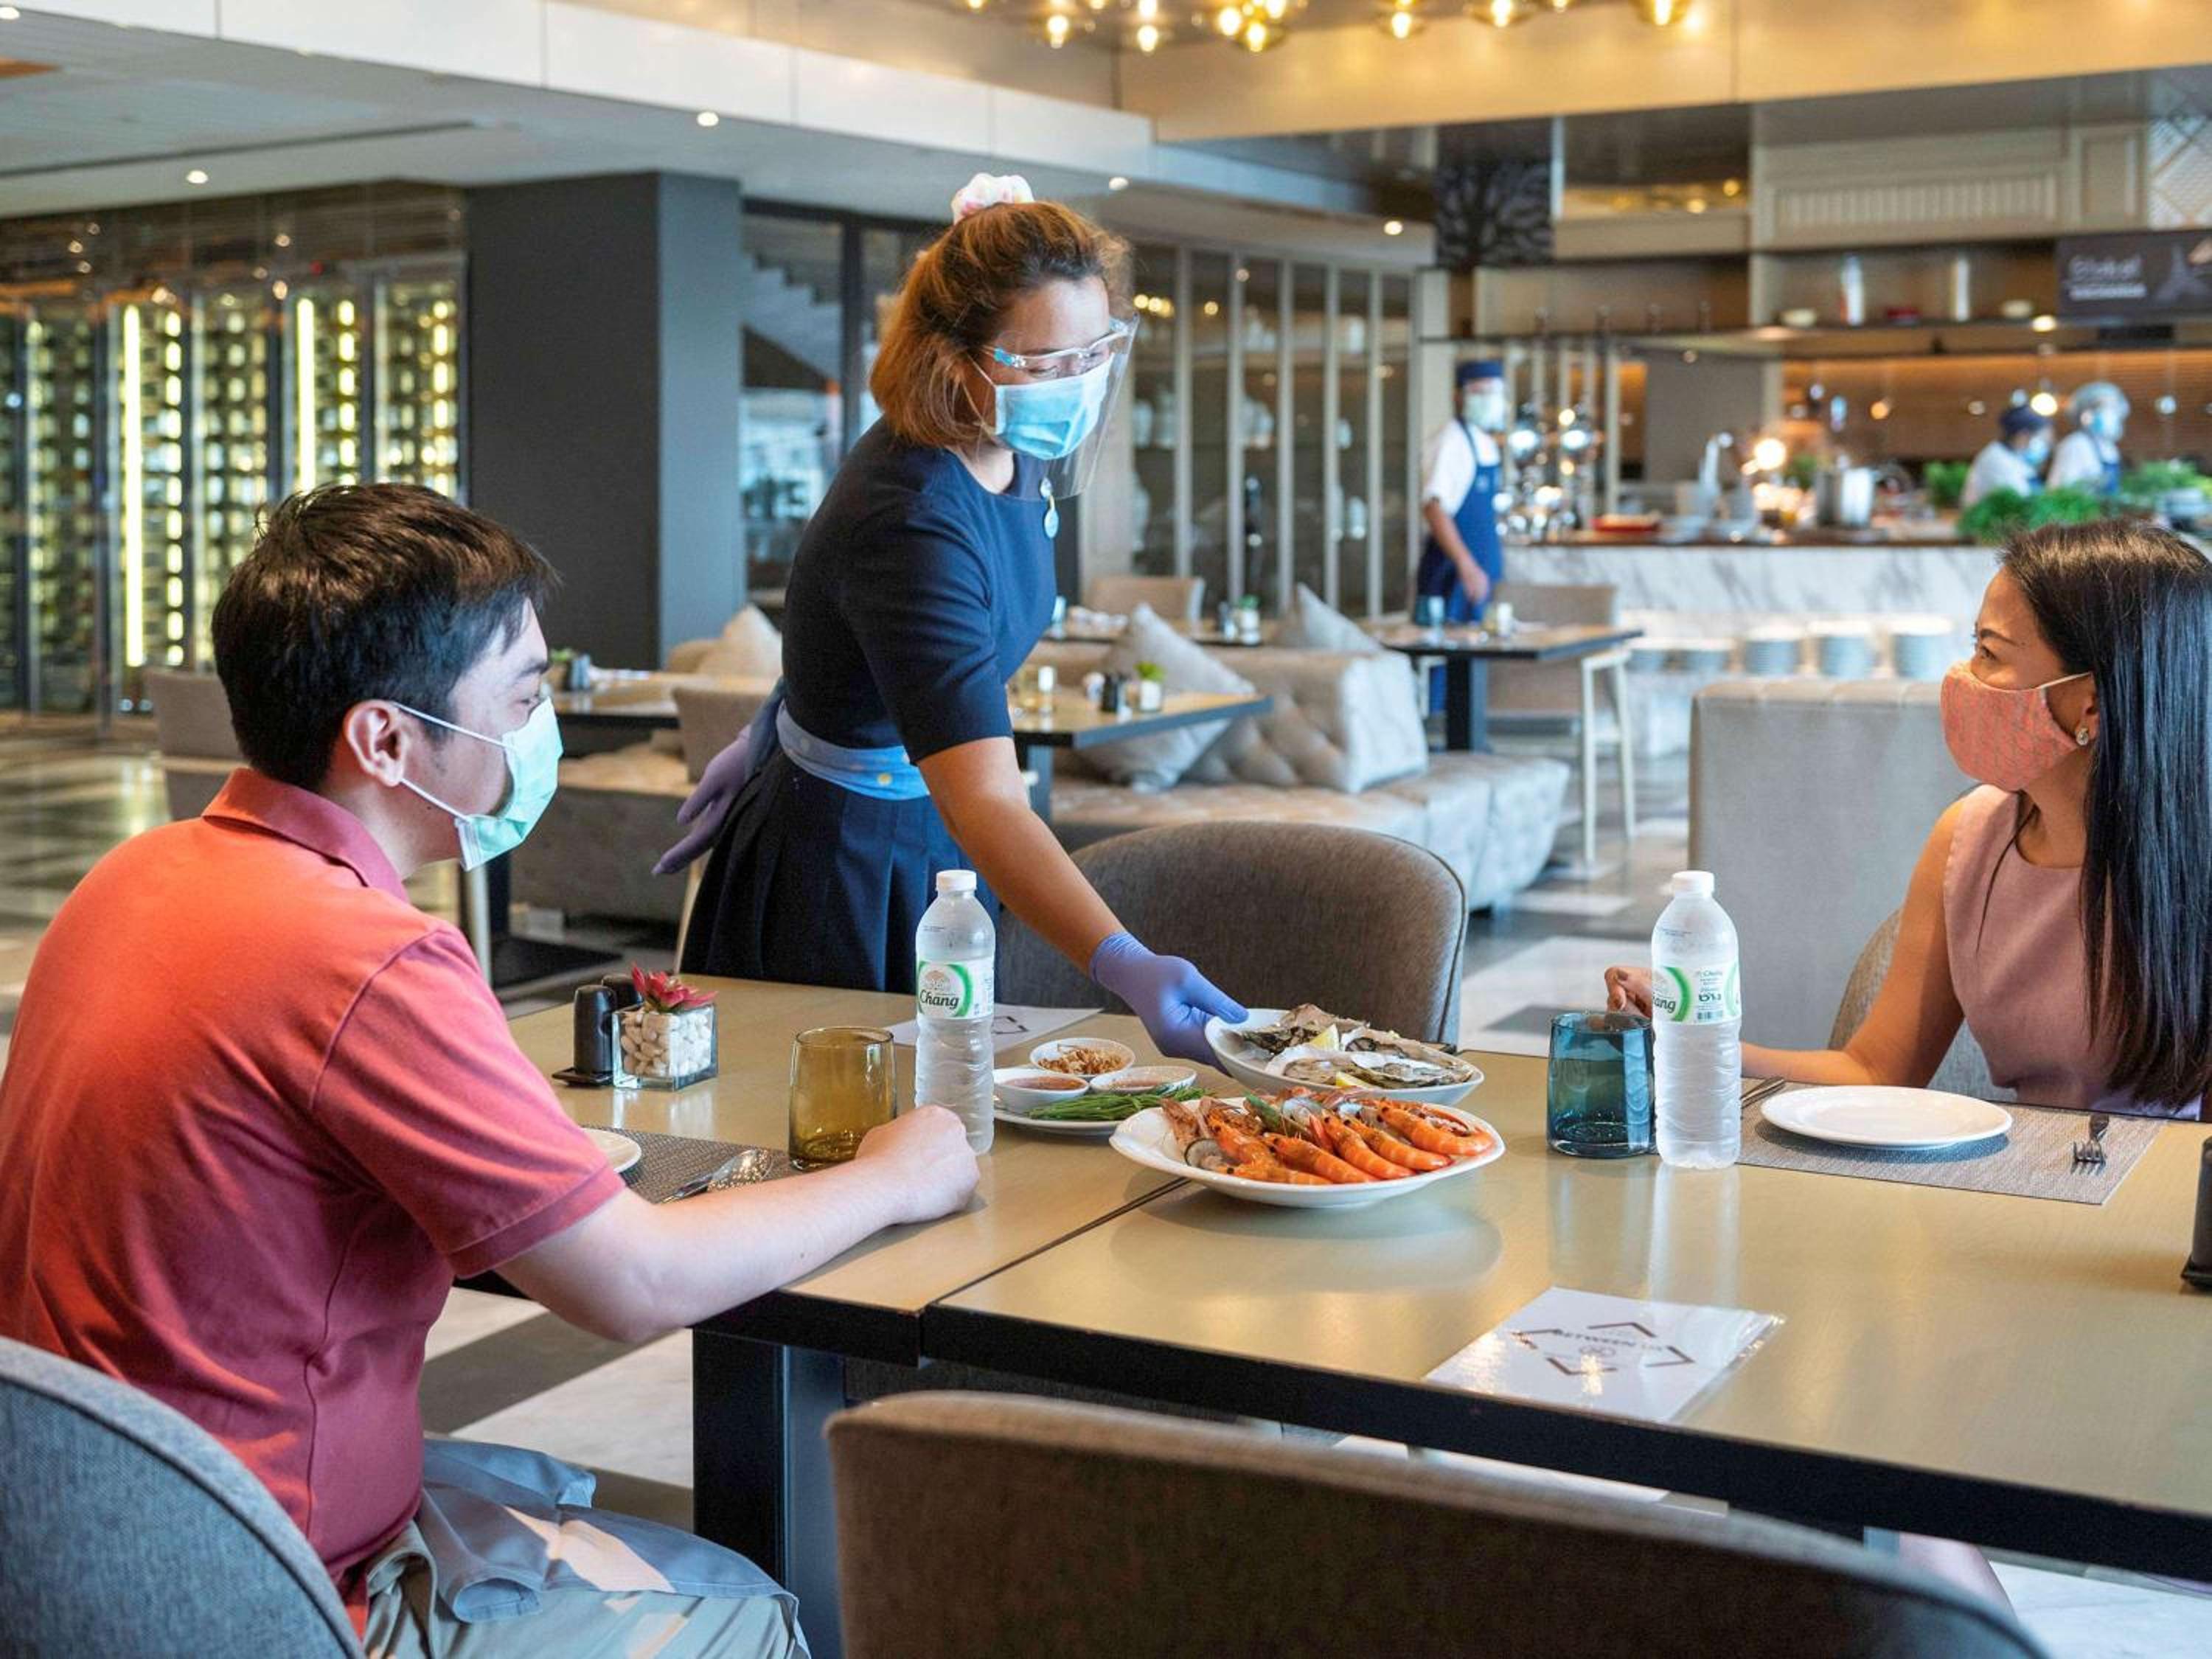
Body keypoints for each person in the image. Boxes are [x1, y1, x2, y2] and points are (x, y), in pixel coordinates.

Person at [0, 484, 980, 1654]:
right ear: (386, 740)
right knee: (751, 1607)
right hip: (259, 1590)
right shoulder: (367, 958)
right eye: (521, 697)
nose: (540, 727)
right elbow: (634, 1282)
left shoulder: (130, 878)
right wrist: (895, 1174)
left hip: (73, 1545)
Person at [658, 175, 1244, 1064]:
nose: (1076, 384)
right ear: (955, 360)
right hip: (844, 859)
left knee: (947, 1097)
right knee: (848, 1115)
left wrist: (788, 708)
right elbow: (989, 801)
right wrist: (1123, 964)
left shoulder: (1013, 452)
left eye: (1094, 353)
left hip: (928, 832)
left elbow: (880, 642)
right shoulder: (913, 516)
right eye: (1044, 365)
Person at [1607, 520, 2209, 1121]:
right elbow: (1874, 1072)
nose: (1964, 676)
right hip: (2029, 1170)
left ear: (2092, 703)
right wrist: (1694, 1037)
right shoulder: (1970, 838)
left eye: (1990, 653)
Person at [1414, 359, 1511, 625]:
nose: (1489, 400)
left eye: (1494, 392)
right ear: (1459, 396)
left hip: (1481, 577)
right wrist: (1466, 565)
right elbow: (1434, 507)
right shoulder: (1450, 442)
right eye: (1481, 392)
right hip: (1452, 577)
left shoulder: (1485, 442)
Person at [1959, 405, 2051, 509]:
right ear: (2022, 435)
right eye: (2036, 436)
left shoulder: (2014, 456)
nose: (2040, 442)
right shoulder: (1996, 460)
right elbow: (2023, 501)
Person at [2045, 380, 2128, 494]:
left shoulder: (2110, 447)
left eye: (2114, 406)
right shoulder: (2076, 444)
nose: (2111, 412)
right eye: (2102, 406)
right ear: (2086, 413)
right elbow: (2061, 491)